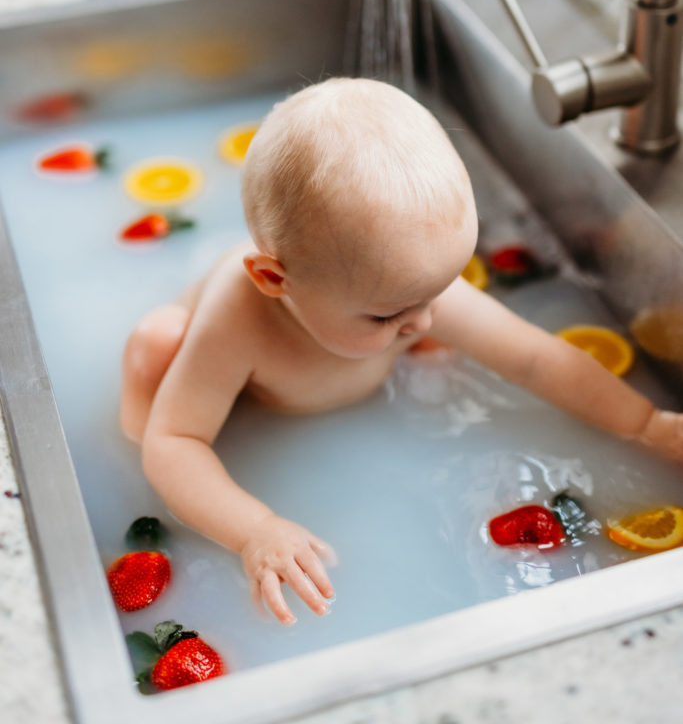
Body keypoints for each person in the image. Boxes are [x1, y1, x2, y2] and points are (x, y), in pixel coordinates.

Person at [120, 77, 683, 626]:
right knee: (157, 346)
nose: (426, 318)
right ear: (275, 279)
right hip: (245, 399)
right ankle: (136, 406)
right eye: (388, 314)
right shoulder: (237, 321)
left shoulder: (403, 290)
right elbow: (174, 443)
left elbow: (535, 358)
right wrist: (254, 529)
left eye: (440, 289)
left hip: (336, 353)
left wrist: (644, 422)